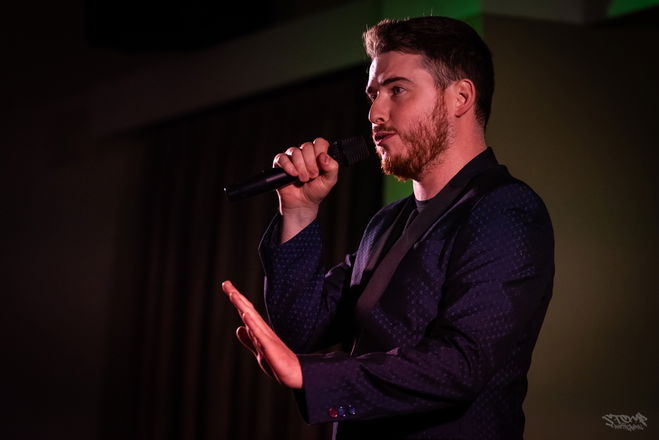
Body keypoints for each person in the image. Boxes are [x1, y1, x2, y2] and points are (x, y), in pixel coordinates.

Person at [223, 16, 554, 439]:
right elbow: (302, 330)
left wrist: (311, 374)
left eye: (397, 89)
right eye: (373, 94)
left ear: (460, 97)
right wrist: (300, 211)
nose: (375, 113)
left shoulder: (506, 209)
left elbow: (463, 364)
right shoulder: (387, 223)